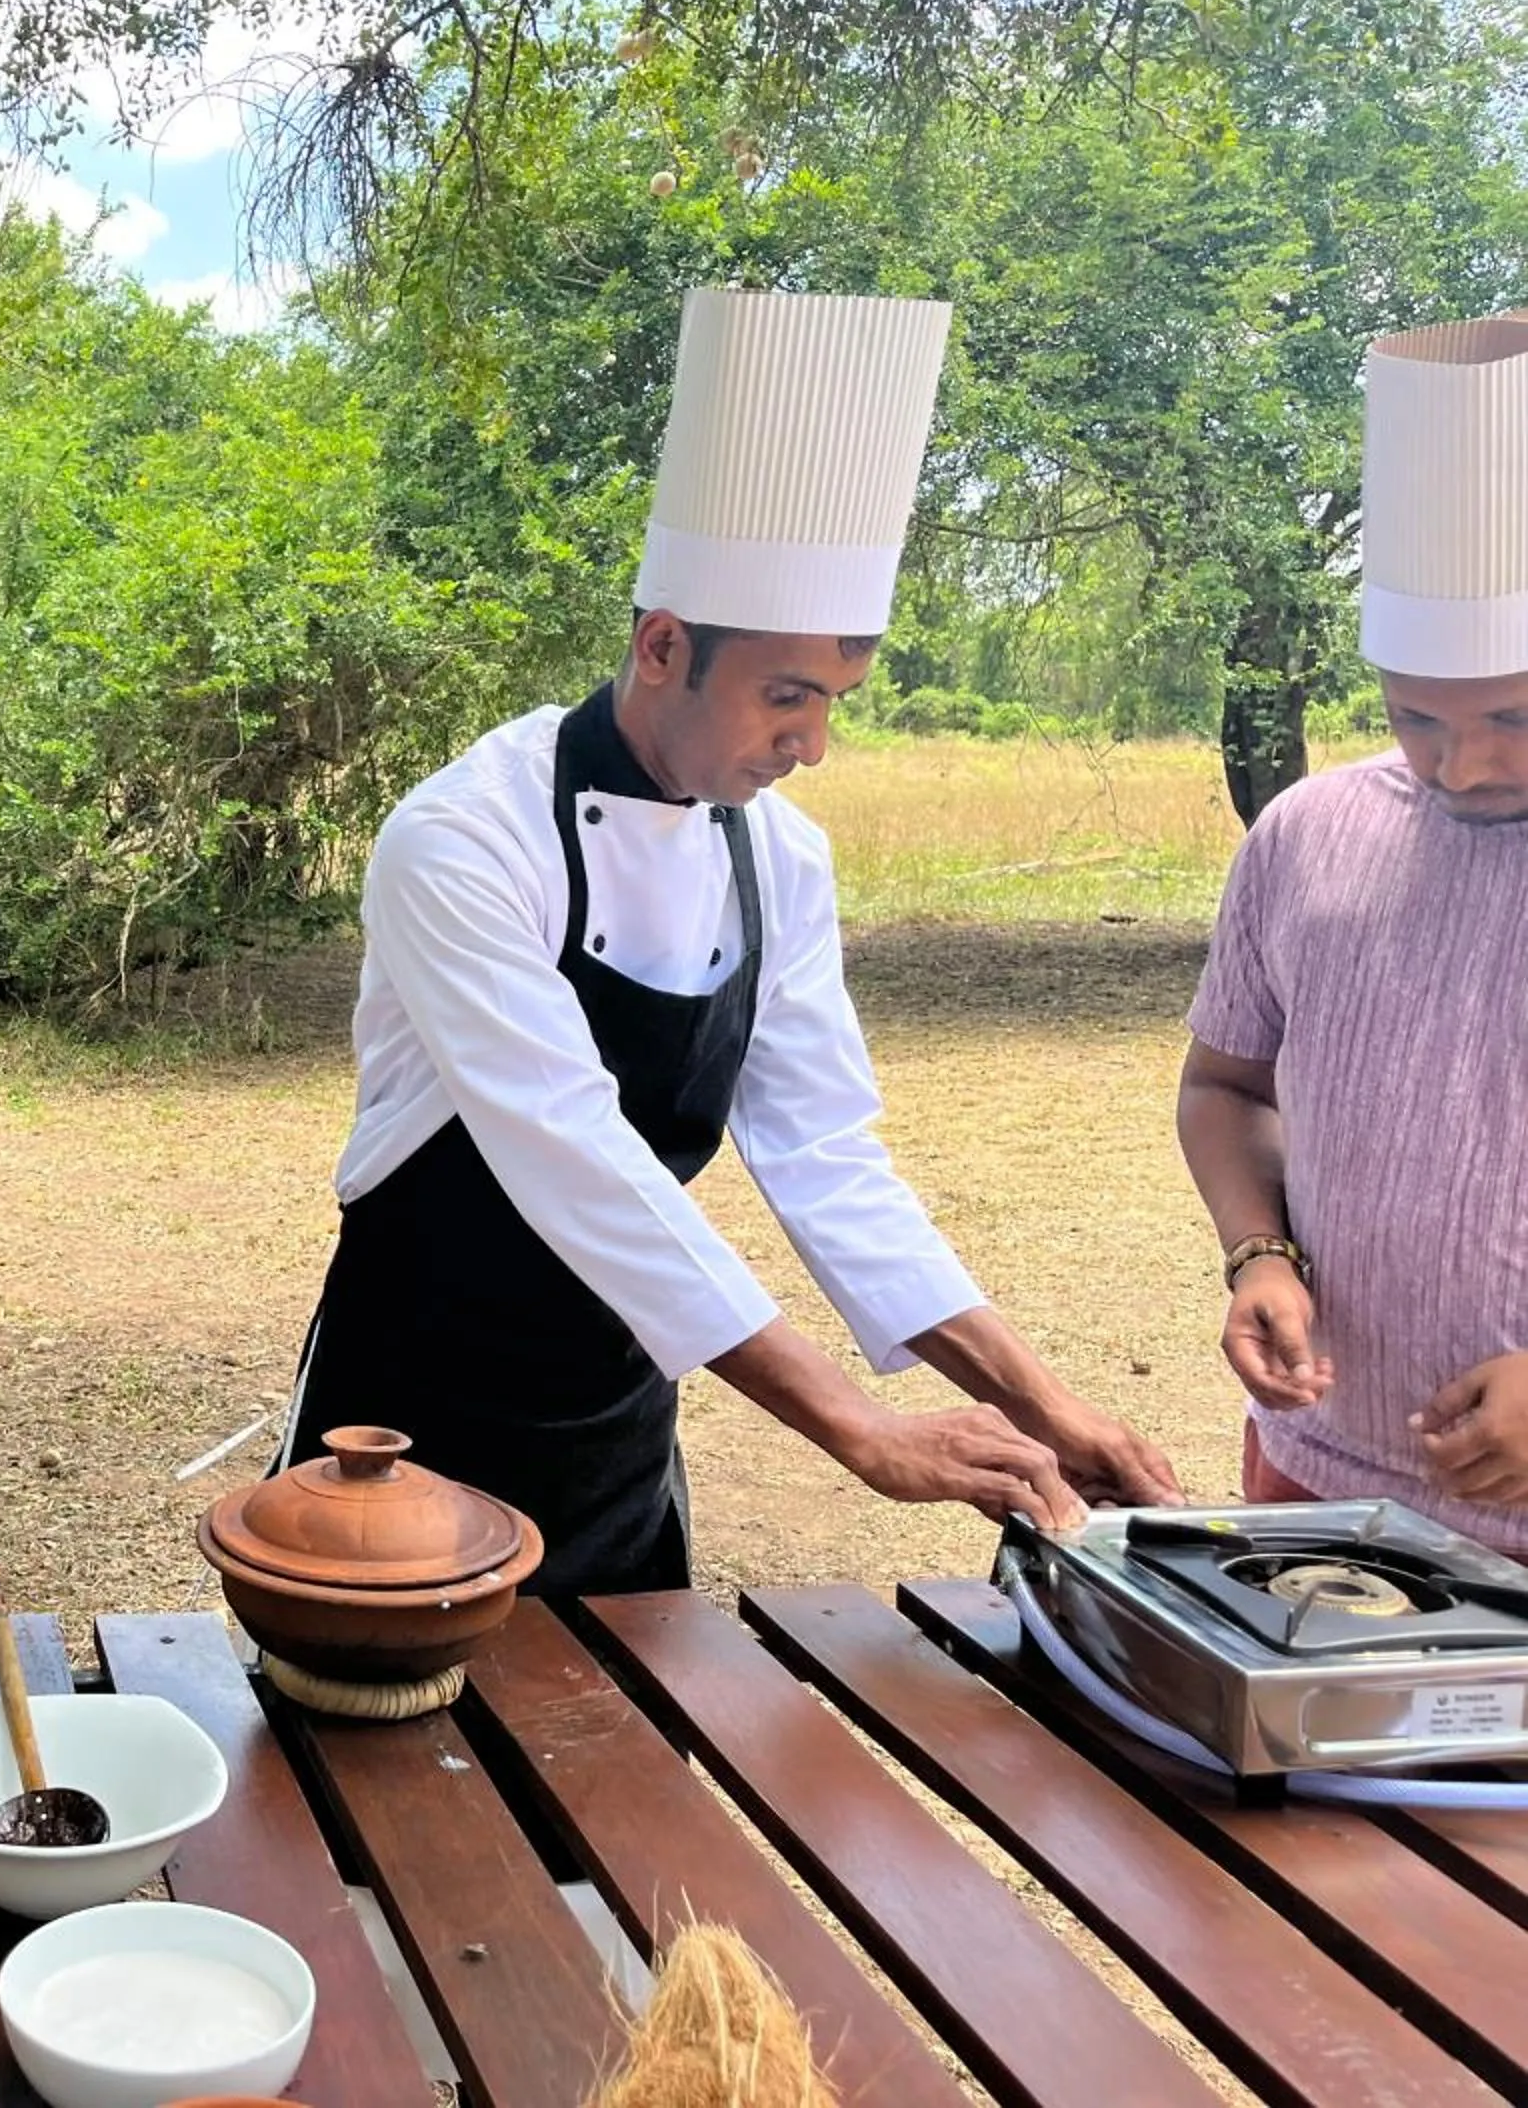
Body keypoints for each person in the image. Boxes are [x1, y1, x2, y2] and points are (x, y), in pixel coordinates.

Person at [278, 286, 1180, 1595]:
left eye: (835, 700)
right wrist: (859, 1427)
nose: (812, 743)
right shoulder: (463, 839)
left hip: (618, 1402)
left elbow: (826, 1155)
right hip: (407, 1422)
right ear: (662, 646)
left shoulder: (780, 858)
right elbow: (577, 1155)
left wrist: (1040, 1401)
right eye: (786, 695)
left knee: (627, 1720)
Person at [1178, 311, 1528, 1550]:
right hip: (1314, 1488)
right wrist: (1259, 1253)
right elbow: (1225, 1086)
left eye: (1512, 718)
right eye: (1416, 718)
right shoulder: (1309, 834)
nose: (1460, 767)